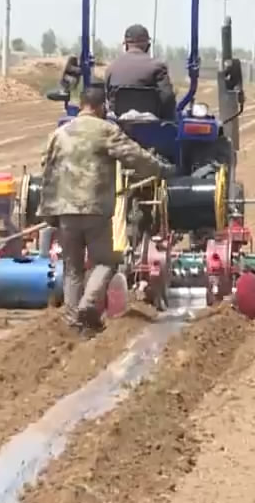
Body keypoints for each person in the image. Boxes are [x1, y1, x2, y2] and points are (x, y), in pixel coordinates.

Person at [37, 86, 174, 335]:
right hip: (95, 208)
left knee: (72, 268)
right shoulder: (106, 130)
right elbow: (134, 155)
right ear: (102, 107)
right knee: (106, 261)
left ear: (81, 104)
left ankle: (73, 321)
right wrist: (160, 169)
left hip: (65, 210)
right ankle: (88, 305)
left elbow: (46, 169)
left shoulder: (59, 134)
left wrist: (48, 212)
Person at [104, 24, 177, 120]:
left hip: (118, 123)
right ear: (147, 45)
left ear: (126, 45)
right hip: (151, 126)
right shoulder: (157, 66)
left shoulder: (112, 68)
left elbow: (107, 97)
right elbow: (167, 97)